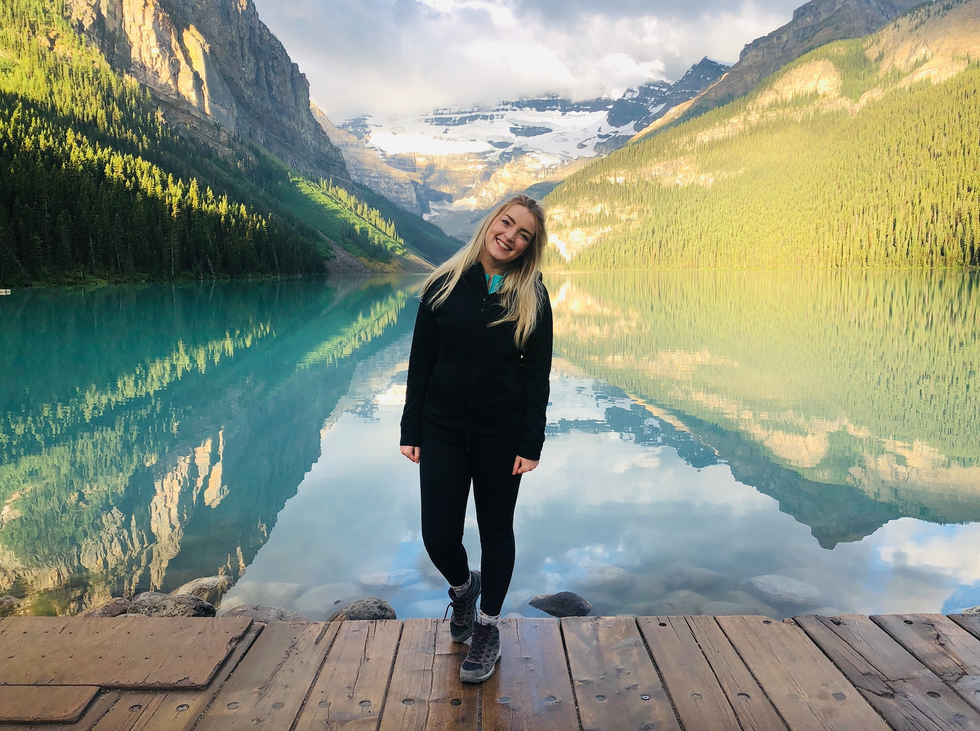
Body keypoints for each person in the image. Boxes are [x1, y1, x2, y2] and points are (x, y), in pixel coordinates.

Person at [399, 194, 553, 684]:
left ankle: (487, 626)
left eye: (523, 234)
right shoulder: (442, 285)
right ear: (491, 222)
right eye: (506, 224)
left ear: (530, 246)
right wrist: (411, 427)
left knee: (496, 533)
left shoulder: (533, 295)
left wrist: (531, 442)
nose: (510, 236)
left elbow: (537, 377)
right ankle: (464, 588)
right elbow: (421, 363)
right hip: (441, 429)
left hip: (500, 437)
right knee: (437, 535)